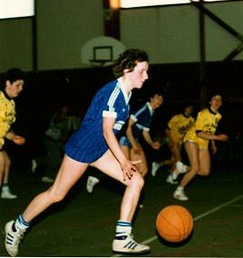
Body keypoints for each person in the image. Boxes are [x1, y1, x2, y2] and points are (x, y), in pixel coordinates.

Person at [4, 49, 152, 256]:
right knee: (56, 194)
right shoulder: (114, 92)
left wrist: (121, 158)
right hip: (82, 148)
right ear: (128, 69)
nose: (146, 76)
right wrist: (124, 160)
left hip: (99, 150)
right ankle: (16, 226)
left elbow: (109, 135)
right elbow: (108, 132)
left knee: (136, 181)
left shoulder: (127, 94)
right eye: (142, 71)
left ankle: (122, 238)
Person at [86, 91, 164, 193]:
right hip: (125, 139)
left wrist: (151, 143)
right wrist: (134, 145)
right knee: (125, 170)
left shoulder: (151, 112)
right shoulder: (144, 109)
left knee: (143, 170)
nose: (159, 100)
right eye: (157, 97)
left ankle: (133, 196)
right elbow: (128, 127)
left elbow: (145, 132)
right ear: (151, 98)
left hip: (134, 140)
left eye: (161, 99)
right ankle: (97, 177)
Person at [173, 93, 229, 201]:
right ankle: (179, 190)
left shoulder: (218, 116)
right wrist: (217, 138)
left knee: (205, 172)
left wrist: (213, 143)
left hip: (204, 142)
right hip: (192, 138)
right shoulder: (203, 113)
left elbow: (210, 130)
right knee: (195, 168)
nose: (217, 101)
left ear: (221, 103)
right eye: (214, 99)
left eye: (219, 100)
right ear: (210, 102)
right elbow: (198, 132)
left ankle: (184, 168)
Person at [151, 101, 195, 184]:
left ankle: (159, 167)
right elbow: (167, 129)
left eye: (191, 108)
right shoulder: (177, 117)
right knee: (179, 159)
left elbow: (189, 132)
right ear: (185, 108)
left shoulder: (192, 120)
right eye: (188, 108)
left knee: (173, 160)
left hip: (180, 141)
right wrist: (170, 140)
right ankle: (178, 172)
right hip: (173, 139)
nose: (190, 110)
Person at [0, 68, 26, 199]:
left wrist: (13, 136)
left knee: (5, 162)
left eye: (22, 86)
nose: (20, 89)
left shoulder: (11, 103)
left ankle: (4, 189)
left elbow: (4, 126)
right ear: (8, 83)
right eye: (17, 85)